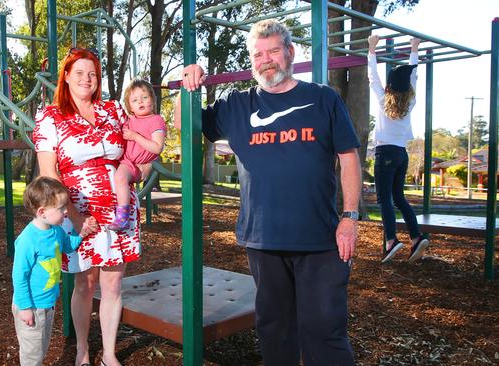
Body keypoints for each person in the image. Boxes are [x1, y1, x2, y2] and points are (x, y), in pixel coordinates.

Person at [174, 19, 362, 365]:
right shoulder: (236, 106)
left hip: (320, 240)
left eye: (273, 50)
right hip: (264, 241)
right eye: (257, 54)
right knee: (275, 333)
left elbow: (349, 158)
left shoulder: (322, 98)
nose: (265, 60)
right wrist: (186, 88)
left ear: (289, 53)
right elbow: (184, 124)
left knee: (324, 333)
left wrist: (350, 217)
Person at [33, 48, 140, 366]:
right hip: (77, 210)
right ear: (66, 76)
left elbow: (135, 155)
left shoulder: (114, 111)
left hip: (119, 211)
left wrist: (135, 174)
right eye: (79, 73)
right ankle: (82, 350)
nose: (86, 79)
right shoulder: (51, 117)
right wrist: (75, 218)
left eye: (92, 73)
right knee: (85, 282)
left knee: (112, 282)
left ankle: (109, 354)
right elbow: (49, 175)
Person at [11, 176, 95, 366]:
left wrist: (80, 233)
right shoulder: (28, 240)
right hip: (31, 306)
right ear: (42, 212)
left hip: (47, 304)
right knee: (32, 354)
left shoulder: (55, 230)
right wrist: (24, 308)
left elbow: (67, 246)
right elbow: (19, 276)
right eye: (61, 208)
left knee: (41, 347)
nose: (66, 212)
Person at [368, 35, 429, 263]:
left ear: (390, 86)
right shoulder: (410, 103)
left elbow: (372, 76)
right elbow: (413, 77)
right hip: (401, 154)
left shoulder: (384, 100)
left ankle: (391, 240)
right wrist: (414, 48)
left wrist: (372, 49)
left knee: (384, 200)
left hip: (385, 154)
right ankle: (415, 237)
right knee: (399, 197)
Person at [108, 78, 167, 231]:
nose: (140, 101)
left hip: (142, 165)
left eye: (144, 97)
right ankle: (122, 216)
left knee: (120, 178)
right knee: (119, 178)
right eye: (134, 100)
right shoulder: (129, 120)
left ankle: (123, 216)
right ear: (130, 106)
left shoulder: (156, 120)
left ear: (152, 101)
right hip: (127, 162)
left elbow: (157, 148)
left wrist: (135, 137)